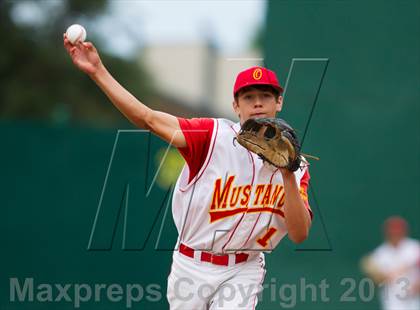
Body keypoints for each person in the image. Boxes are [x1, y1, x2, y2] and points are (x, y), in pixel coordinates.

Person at [63, 36, 313, 309]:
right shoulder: (211, 137)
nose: (257, 103)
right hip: (192, 265)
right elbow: (147, 118)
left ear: (279, 101)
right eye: (248, 96)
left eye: (265, 96)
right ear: (235, 106)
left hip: (245, 268)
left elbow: (299, 234)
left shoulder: (296, 167)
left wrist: (287, 174)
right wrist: (99, 72)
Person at [361, 216, 420, 310]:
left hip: (415, 298)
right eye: (393, 233)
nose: (395, 236)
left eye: (398, 233)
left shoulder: (415, 248)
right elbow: (377, 280)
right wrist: (380, 276)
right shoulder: (380, 254)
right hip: (392, 300)